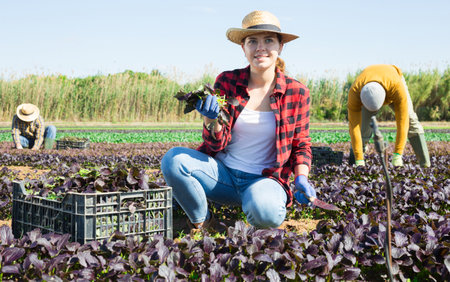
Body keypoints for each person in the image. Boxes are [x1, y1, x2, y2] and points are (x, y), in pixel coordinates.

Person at [161, 11, 315, 231]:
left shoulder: (297, 92)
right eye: (253, 41)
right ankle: (202, 222)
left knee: (266, 212)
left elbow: (301, 144)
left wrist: (301, 178)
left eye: (268, 40)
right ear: (243, 47)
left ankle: (255, 216)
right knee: (173, 161)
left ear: (280, 47)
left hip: (264, 181)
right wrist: (210, 120)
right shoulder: (228, 81)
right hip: (222, 175)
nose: (260, 47)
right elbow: (216, 144)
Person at [348, 64, 430, 167]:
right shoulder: (354, 92)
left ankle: (425, 164)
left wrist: (398, 154)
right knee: (362, 129)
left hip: (393, 80)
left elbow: (403, 123)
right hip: (368, 86)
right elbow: (354, 127)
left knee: (411, 120)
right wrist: (359, 159)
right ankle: (354, 163)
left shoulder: (397, 88)